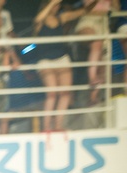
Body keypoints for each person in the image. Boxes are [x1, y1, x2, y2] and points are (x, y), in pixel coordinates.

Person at [33, 0, 90, 131]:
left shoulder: (61, 18)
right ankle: (46, 127)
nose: (56, 6)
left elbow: (82, 12)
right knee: (52, 94)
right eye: (54, 4)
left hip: (62, 58)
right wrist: (52, 3)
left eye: (58, 4)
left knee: (65, 93)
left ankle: (58, 125)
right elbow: (37, 19)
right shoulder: (40, 21)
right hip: (45, 61)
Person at [75, 0, 117, 102]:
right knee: (96, 43)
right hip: (89, 22)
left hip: (103, 24)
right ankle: (92, 78)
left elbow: (116, 10)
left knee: (103, 65)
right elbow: (88, 8)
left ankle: (93, 96)